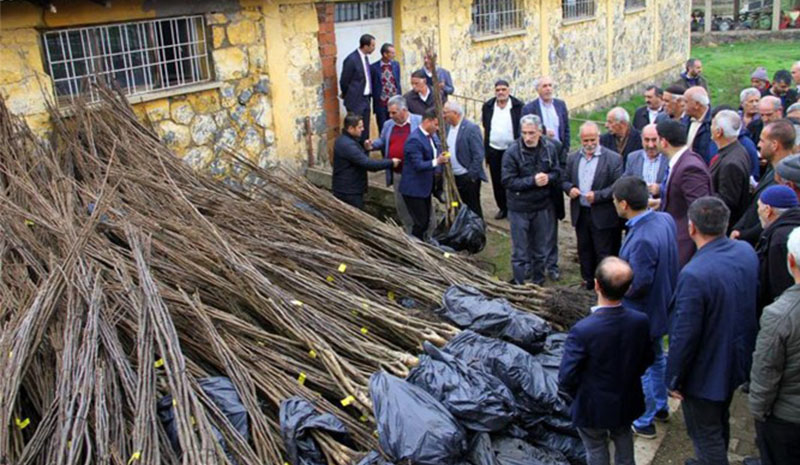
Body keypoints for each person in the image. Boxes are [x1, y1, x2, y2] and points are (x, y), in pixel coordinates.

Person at [666, 196, 759, 465]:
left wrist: (674, 378)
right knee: (719, 420)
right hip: (736, 359)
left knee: (705, 434)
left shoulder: (694, 274)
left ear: (691, 227)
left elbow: (685, 335)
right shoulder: (745, 251)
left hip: (705, 374)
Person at [558, 257, 653, 465]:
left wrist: (577, 395)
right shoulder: (640, 321)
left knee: (595, 448)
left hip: (592, 406)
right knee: (624, 437)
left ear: (596, 285)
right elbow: (647, 359)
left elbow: (566, 376)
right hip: (626, 399)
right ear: (628, 289)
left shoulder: (583, 330)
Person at [612, 177, 678, 439]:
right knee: (657, 358)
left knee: (641, 367)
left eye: (615, 201)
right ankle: (661, 407)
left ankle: (644, 420)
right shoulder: (664, 219)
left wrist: (613, 290)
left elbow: (638, 283)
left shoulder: (642, 239)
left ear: (624, 204)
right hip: (662, 305)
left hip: (643, 313)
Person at [750, 226, 800, 464]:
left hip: (786, 419)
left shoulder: (779, 314)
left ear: (790, 260)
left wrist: (758, 413)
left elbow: (766, 371)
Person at [501, 114, 561, 285]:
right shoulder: (512, 152)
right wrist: (532, 181)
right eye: (524, 133)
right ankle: (519, 285)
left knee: (540, 251)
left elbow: (557, 172)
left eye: (531, 133)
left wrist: (548, 178)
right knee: (520, 253)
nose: (527, 137)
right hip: (519, 208)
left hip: (541, 207)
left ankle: (538, 283)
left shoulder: (549, 148)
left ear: (540, 132)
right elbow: (507, 181)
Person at [563, 122, 623, 290]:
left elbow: (617, 186)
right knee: (584, 249)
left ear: (598, 137)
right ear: (580, 139)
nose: (589, 144)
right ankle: (587, 280)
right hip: (581, 212)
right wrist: (570, 189)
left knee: (602, 251)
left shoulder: (613, 159)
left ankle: (604, 284)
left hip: (602, 213)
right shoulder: (573, 158)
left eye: (592, 140)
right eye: (585, 140)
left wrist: (597, 196)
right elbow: (564, 179)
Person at [653, 120, 712, 268]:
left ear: (664, 142)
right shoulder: (681, 161)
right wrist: (660, 202)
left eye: (656, 139)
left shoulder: (690, 168)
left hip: (685, 245)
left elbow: (701, 210)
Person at [731, 120, 798, 245]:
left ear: (774, 145)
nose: (758, 144)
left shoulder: (786, 178)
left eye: (762, 140)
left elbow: (775, 217)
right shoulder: (771, 168)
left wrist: (743, 235)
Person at [367, 95, 422, 233]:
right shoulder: (388, 125)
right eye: (389, 113)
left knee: (420, 204)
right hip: (398, 173)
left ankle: (425, 232)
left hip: (416, 174)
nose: (391, 116)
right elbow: (382, 141)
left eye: (394, 113)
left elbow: (433, 141)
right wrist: (372, 145)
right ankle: (409, 231)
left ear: (404, 110)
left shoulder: (419, 121)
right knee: (401, 204)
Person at [399, 108, 449, 240]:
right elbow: (418, 165)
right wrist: (437, 161)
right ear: (427, 121)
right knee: (420, 223)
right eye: (436, 125)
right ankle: (415, 245)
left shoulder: (429, 137)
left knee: (425, 221)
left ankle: (421, 242)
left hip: (424, 188)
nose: (437, 128)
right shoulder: (415, 140)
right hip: (414, 189)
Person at [332, 114, 398, 209]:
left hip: (349, 188)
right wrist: (391, 162)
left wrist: (365, 147)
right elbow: (368, 164)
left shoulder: (347, 140)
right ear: (351, 128)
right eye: (360, 127)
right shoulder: (347, 145)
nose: (362, 129)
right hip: (349, 191)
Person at [482, 79, 524, 220]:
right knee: (497, 180)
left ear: (509, 90)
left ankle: (514, 207)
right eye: (498, 90)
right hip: (494, 149)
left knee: (512, 179)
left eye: (503, 89)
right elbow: (486, 126)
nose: (500, 92)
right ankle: (502, 207)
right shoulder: (488, 106)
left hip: (512, 150)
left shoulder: (518, 106)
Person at [756, 185, 800, 314]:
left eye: (758, 206)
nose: (757, 211)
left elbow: (779, 286)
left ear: (768, 210)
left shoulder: (779, 240)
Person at [443, 101, 487, 218]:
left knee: (472, 206)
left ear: (455, 113)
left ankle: (476, 226)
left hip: (467, 177)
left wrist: (471, 176)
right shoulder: (447, 128)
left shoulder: (471, 128)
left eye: (446, 113)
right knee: (456, 203)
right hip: (453, 176)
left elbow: (478, 154)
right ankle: (459, 225)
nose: (443, 115)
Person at [709, 110, 751, 229]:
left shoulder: (731, 163)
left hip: (723, 226)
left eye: (712, 124)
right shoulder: (736, 150)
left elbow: (727, 201)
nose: (710, 127)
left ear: (719, 132)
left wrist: (702, 190)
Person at [339, 34, 376, 143]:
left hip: (366, 99)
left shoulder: (365, 58)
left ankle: (365, 151)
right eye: (372, 46)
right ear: (365, 46)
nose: (374, 48)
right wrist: (348, 95)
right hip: (355, 100)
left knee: (365, 129)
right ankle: (355, 151)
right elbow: (344, 81)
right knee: (355, 129)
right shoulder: (351, 59)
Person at [522, 76, 571, 153]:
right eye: (544, 86)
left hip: (559, 151)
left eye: (550, 85)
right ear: (538, 90)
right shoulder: (529, 109)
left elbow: (566, 129)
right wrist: (544, 133)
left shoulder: (560, 105)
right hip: (540, 152)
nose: (548, 89)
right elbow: (524, 132)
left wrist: (566, 150)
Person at [624, 124, 668, 197]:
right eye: (647, 140)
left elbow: (676, 187)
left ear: (661, 140)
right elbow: (626, 182)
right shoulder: (632, 158)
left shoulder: (669, 158)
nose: (650, 145)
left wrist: (660, 189)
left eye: (654, 140)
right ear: (641, 139)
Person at [369, 43, 402, 133]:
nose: (394, 55)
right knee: (383, 128)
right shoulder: (373, 67)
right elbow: (372, 85)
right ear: (385, 54)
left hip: (394, 103)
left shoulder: (396, 65)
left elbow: (397, 82)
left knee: (396, 127)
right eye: (392, 53)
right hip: (381, 104)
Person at [682, 86, 713, 163]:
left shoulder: (713, 124)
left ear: (697, 105)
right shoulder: (685, 120)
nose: (682, 104)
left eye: (686, 102)